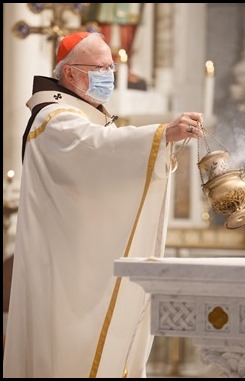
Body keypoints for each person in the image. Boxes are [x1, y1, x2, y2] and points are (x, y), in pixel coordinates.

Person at [3, 31, 203, 378]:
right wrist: (162, 134)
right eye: (99, 67)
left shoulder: (79, 117)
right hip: (64, 270)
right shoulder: (54, 120)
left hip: (79, 258)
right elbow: (96, 146)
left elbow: (106, 158)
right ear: (69, 74)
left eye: (110, 66)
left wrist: (158, 144)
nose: (108, 74)